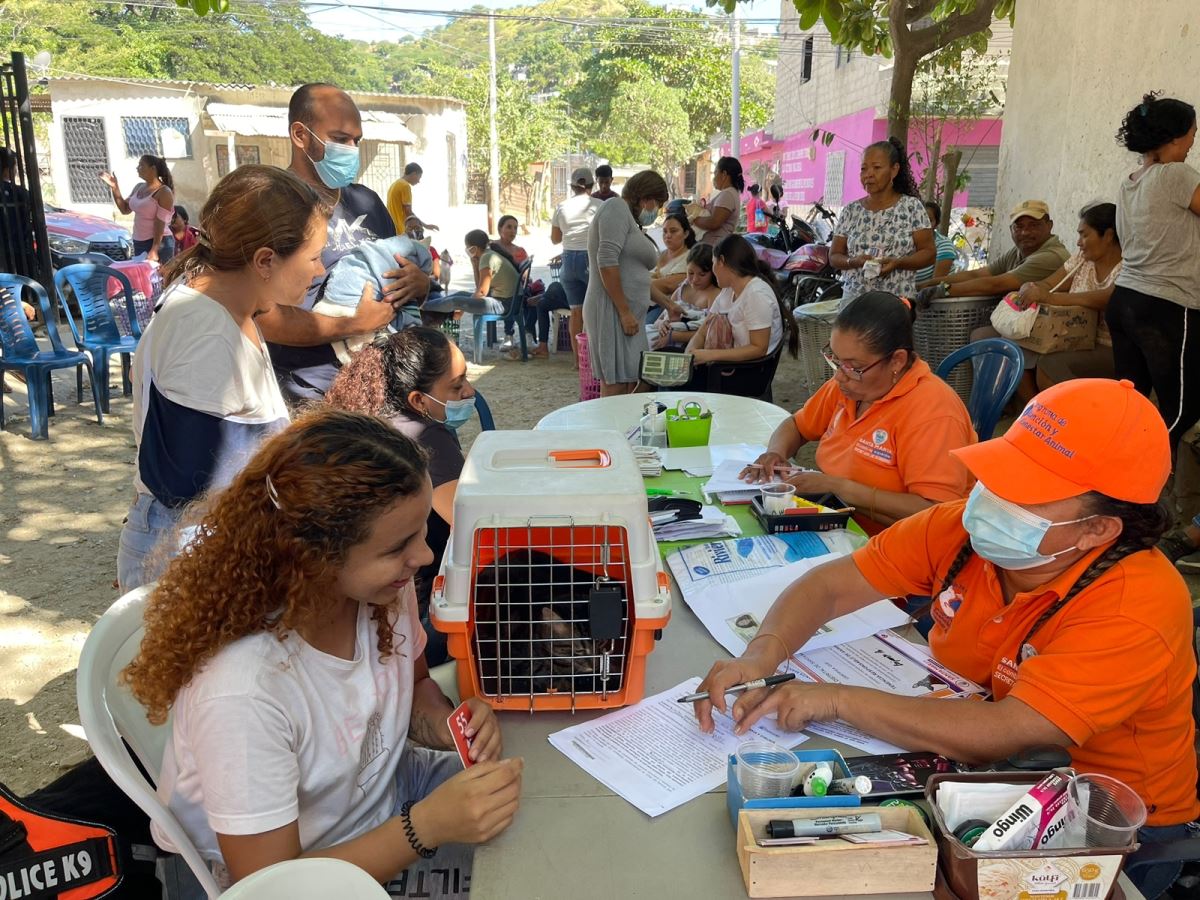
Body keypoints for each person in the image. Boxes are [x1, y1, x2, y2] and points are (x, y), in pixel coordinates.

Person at [699, 378, 1199, 900]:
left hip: (1101, 828)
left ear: (1097, 530)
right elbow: (828, 586)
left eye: (1025, 492)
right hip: (977, 776)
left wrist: (836, 699)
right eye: (999, 472)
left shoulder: (1136, 605)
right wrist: (762, 655)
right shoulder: (964, 532)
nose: (991, 500)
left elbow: (1014, 730)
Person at [124, 410, 522, 898]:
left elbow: (415, 684)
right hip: (289, 876)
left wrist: (447, 724)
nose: (424, 556)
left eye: (421, 533)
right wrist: (427, 827)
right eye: (399, 546)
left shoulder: (379, 593)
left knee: (539, 813)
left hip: (381, 797)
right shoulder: (244, 691)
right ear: (313, 558)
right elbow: (272, 886)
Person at [115, 165, 326, 592]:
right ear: (266, 260)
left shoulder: (226, 308)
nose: (319, 271)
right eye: (313, 257)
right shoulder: (206, 333)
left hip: (201, 543)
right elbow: (191, 484)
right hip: (191, 555)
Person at [743, 290, 974, 535]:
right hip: (842, 524)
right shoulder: (848, 387)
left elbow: (937, 511)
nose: (839, 375)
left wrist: (838, 487)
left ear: (896, 360)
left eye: (855, 366)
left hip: (901, 543)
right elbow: (797, 425)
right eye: (835, 359)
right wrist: (775, 453)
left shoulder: (933, 412)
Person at [259, 84, 430, 403]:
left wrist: (419, 284)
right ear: (300, 135)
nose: (351, 149)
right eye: (339, 139)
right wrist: (348, 325)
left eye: (357, 141)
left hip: (381, 381)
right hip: (308, 390)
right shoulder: (269, 206)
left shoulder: (367, 202)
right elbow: (259, 315)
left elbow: (397, 272)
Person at [325, 328, 476, 666]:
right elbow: (472, 526)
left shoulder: (374, 424)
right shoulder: (429, 439)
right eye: (456, 385)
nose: (470, 391)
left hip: (381, 615)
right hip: (420, 618)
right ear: (418, 401)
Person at [1108, 92, 1200, 454]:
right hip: (1168, 306)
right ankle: (1150, 484)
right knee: (1183, 409)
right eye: (1194, 132)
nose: (1194, 140)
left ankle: (1118, 486)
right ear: (1177, 136)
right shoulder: (1177, 174)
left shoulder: (1130, 181)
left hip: (1125, 301)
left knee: (1132, 407)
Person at [581, 169, 669, 396]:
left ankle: (622, 430)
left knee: (630, 379)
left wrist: (670, 305)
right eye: (657, 205)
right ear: (646, 199)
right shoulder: (615, 208)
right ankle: (610, 431)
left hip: (625, 313)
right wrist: (624, 311)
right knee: (616, 382)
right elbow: (606, 260)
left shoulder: (628, 219)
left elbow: (634, 274)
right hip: (611, 311)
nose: (656, 212)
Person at [1024, 203, 1123, 391]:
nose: (1078, 242)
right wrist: (1030, 288)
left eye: (1084, 235)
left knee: (1049, 365)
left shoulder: (1128, 266)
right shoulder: (1082, 260)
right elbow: (1049, 284)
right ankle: (1031, 413)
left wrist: (1049, 298)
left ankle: (1066, 416)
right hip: (1073, 339)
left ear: (1108, 236)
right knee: (1018, 351)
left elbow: (1106, 298)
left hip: (1109, 347)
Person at [830, 139, 933, 306]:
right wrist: (854, 262)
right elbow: (834, 256)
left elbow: (929, 253)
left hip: (896, 304)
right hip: (854, 303)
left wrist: (898, 263)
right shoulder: (851, 211)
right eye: (864, 169)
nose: (869, 174)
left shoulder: (912, 207)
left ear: (894, 170)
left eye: (876, 167)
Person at [918, 200, 1070, 303]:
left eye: (1033, 225)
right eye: (1019, 227)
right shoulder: (1019, 251)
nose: (1025, 232)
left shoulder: (1051, 256)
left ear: (1049, 226)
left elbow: (996, 284)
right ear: (1011, 230)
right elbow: (976, 274)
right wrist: (926, 285)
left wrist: (942, 290)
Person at [683, 234, 796, 371]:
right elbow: (703, 330)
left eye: (713, 263)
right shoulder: (728, 290)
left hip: (750, 371)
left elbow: (758, 349)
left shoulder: (756, 295)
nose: (713, 270)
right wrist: (688, 355)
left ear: (721, 261)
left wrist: (709, 355)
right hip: (729, 365)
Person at [549, 167, 601, 363]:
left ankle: (578, 362)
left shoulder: (561, 207)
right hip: (590, 259)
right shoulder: (598, 205)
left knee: (576, 312)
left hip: (568, 260)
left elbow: (555, 239)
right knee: (595, 309)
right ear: (591, 185)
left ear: (572, 186)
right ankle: (594, 358)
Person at [421, 229, 518, 325]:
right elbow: (479, 286)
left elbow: (481, 292)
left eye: (467, 247)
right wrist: (474, 265)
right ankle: (429, 305)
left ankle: (422, 306)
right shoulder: (487, 255)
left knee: (456, 301)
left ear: (474, 248)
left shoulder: (486, 257)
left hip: (505, 304)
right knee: (460, 294)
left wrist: (463, 307)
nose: (466, 250)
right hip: (505, 300)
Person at [100, 154, 176, 263]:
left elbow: (160, 222)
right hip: (139, 241)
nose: (137, 168)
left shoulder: (164, 192)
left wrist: (154, 249)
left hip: (160, 243)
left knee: (159, 278)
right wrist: (114, 187)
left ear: (153, 169)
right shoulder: (139, 187)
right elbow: (125, 209)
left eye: (141, 165)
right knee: (142, 277)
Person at [652, 244, 721, 349]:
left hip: (690, 345)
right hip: (665, 336)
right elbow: (658, 320)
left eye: (702, 275)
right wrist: (662, 324)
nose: (695, 279)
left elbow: (710, 332)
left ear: (712, 273)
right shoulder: (682, 289)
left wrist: (675, 336)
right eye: (691, 273)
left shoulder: (715, 294)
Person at [648, 211, 695, 313]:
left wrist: (637, 284)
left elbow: (669, 285)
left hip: (664, 308)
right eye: (665, 231)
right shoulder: (660, 254)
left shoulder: (690, 257)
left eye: (673, 231)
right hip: (645, 302)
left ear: (686, 233)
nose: (668, 235)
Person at [691, 156, 744, 247]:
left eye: (715, 173)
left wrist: (693, 219)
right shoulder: (729, 193)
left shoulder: (728, 194)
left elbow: (714, 222)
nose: (714, 178)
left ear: (724, 174)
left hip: (713, 247)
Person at [387, 162, 439, 236]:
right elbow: (408, 212)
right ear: (414, 174)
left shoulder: (395, 184)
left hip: (392, 227)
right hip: (401, 229)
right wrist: (425, 225)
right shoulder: (405, 186)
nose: (418, 181)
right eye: (419, 177)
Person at [913, 200, 957, 284]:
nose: (923, 224)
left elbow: (934, 284)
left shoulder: (943, 245)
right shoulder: (907, 243)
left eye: (929, 220)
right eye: (919, 219)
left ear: (936, 223)